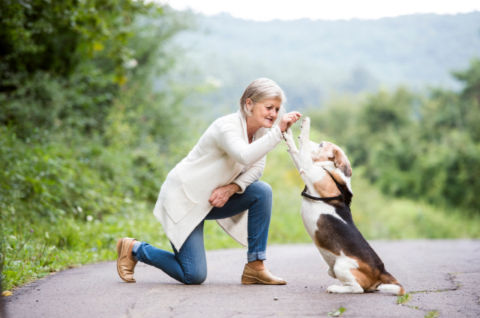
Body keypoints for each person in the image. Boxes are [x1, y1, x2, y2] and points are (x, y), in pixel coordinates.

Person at [116, 78, 301, 285]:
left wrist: (232, 189)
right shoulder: (227, 127)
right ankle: (134, 249)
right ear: (249, 104)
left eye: (276, 109)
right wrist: (279, 132)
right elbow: (244, 156)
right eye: (269, 107)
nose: (273, 114)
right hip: (185, 199)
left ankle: (255, 267)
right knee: (193, 275)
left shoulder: (262, 133)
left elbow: (256, 168)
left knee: (262, 191)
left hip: (213, 200)